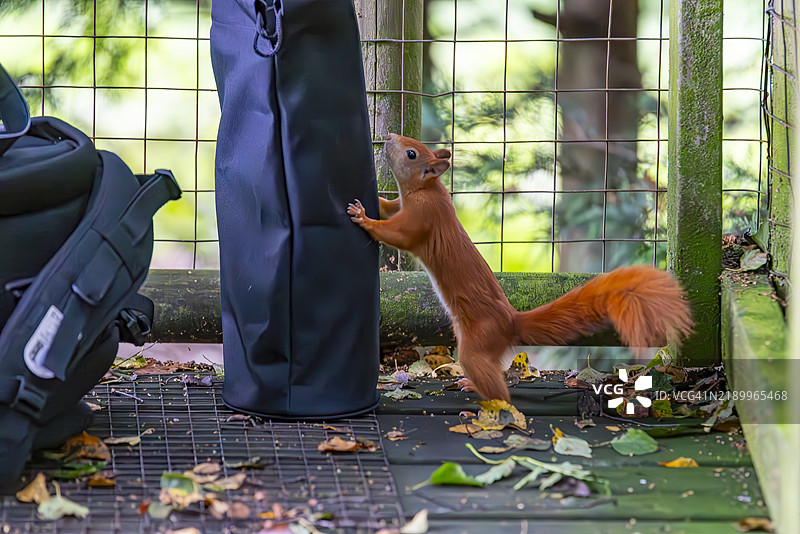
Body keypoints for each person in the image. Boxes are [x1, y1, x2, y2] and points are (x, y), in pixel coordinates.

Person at [210, 0, 380, 419]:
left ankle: (287, 381)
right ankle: (310, 381)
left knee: (269, 172)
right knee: (274, 174)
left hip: (272, 20)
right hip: (284, 20)